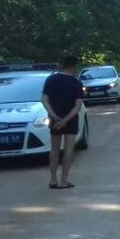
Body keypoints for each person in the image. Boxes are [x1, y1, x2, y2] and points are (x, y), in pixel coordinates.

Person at [41, 55, 85, 189]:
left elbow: (44, 100)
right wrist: (65, 120)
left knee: (54, 149)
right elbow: (77, 106)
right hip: (70, 120)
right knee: (68, 149)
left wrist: (55, 117)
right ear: (74, 66)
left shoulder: (51, 79)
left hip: (54, 120)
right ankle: (63, 181)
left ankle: (53, 180)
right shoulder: (77, 83)